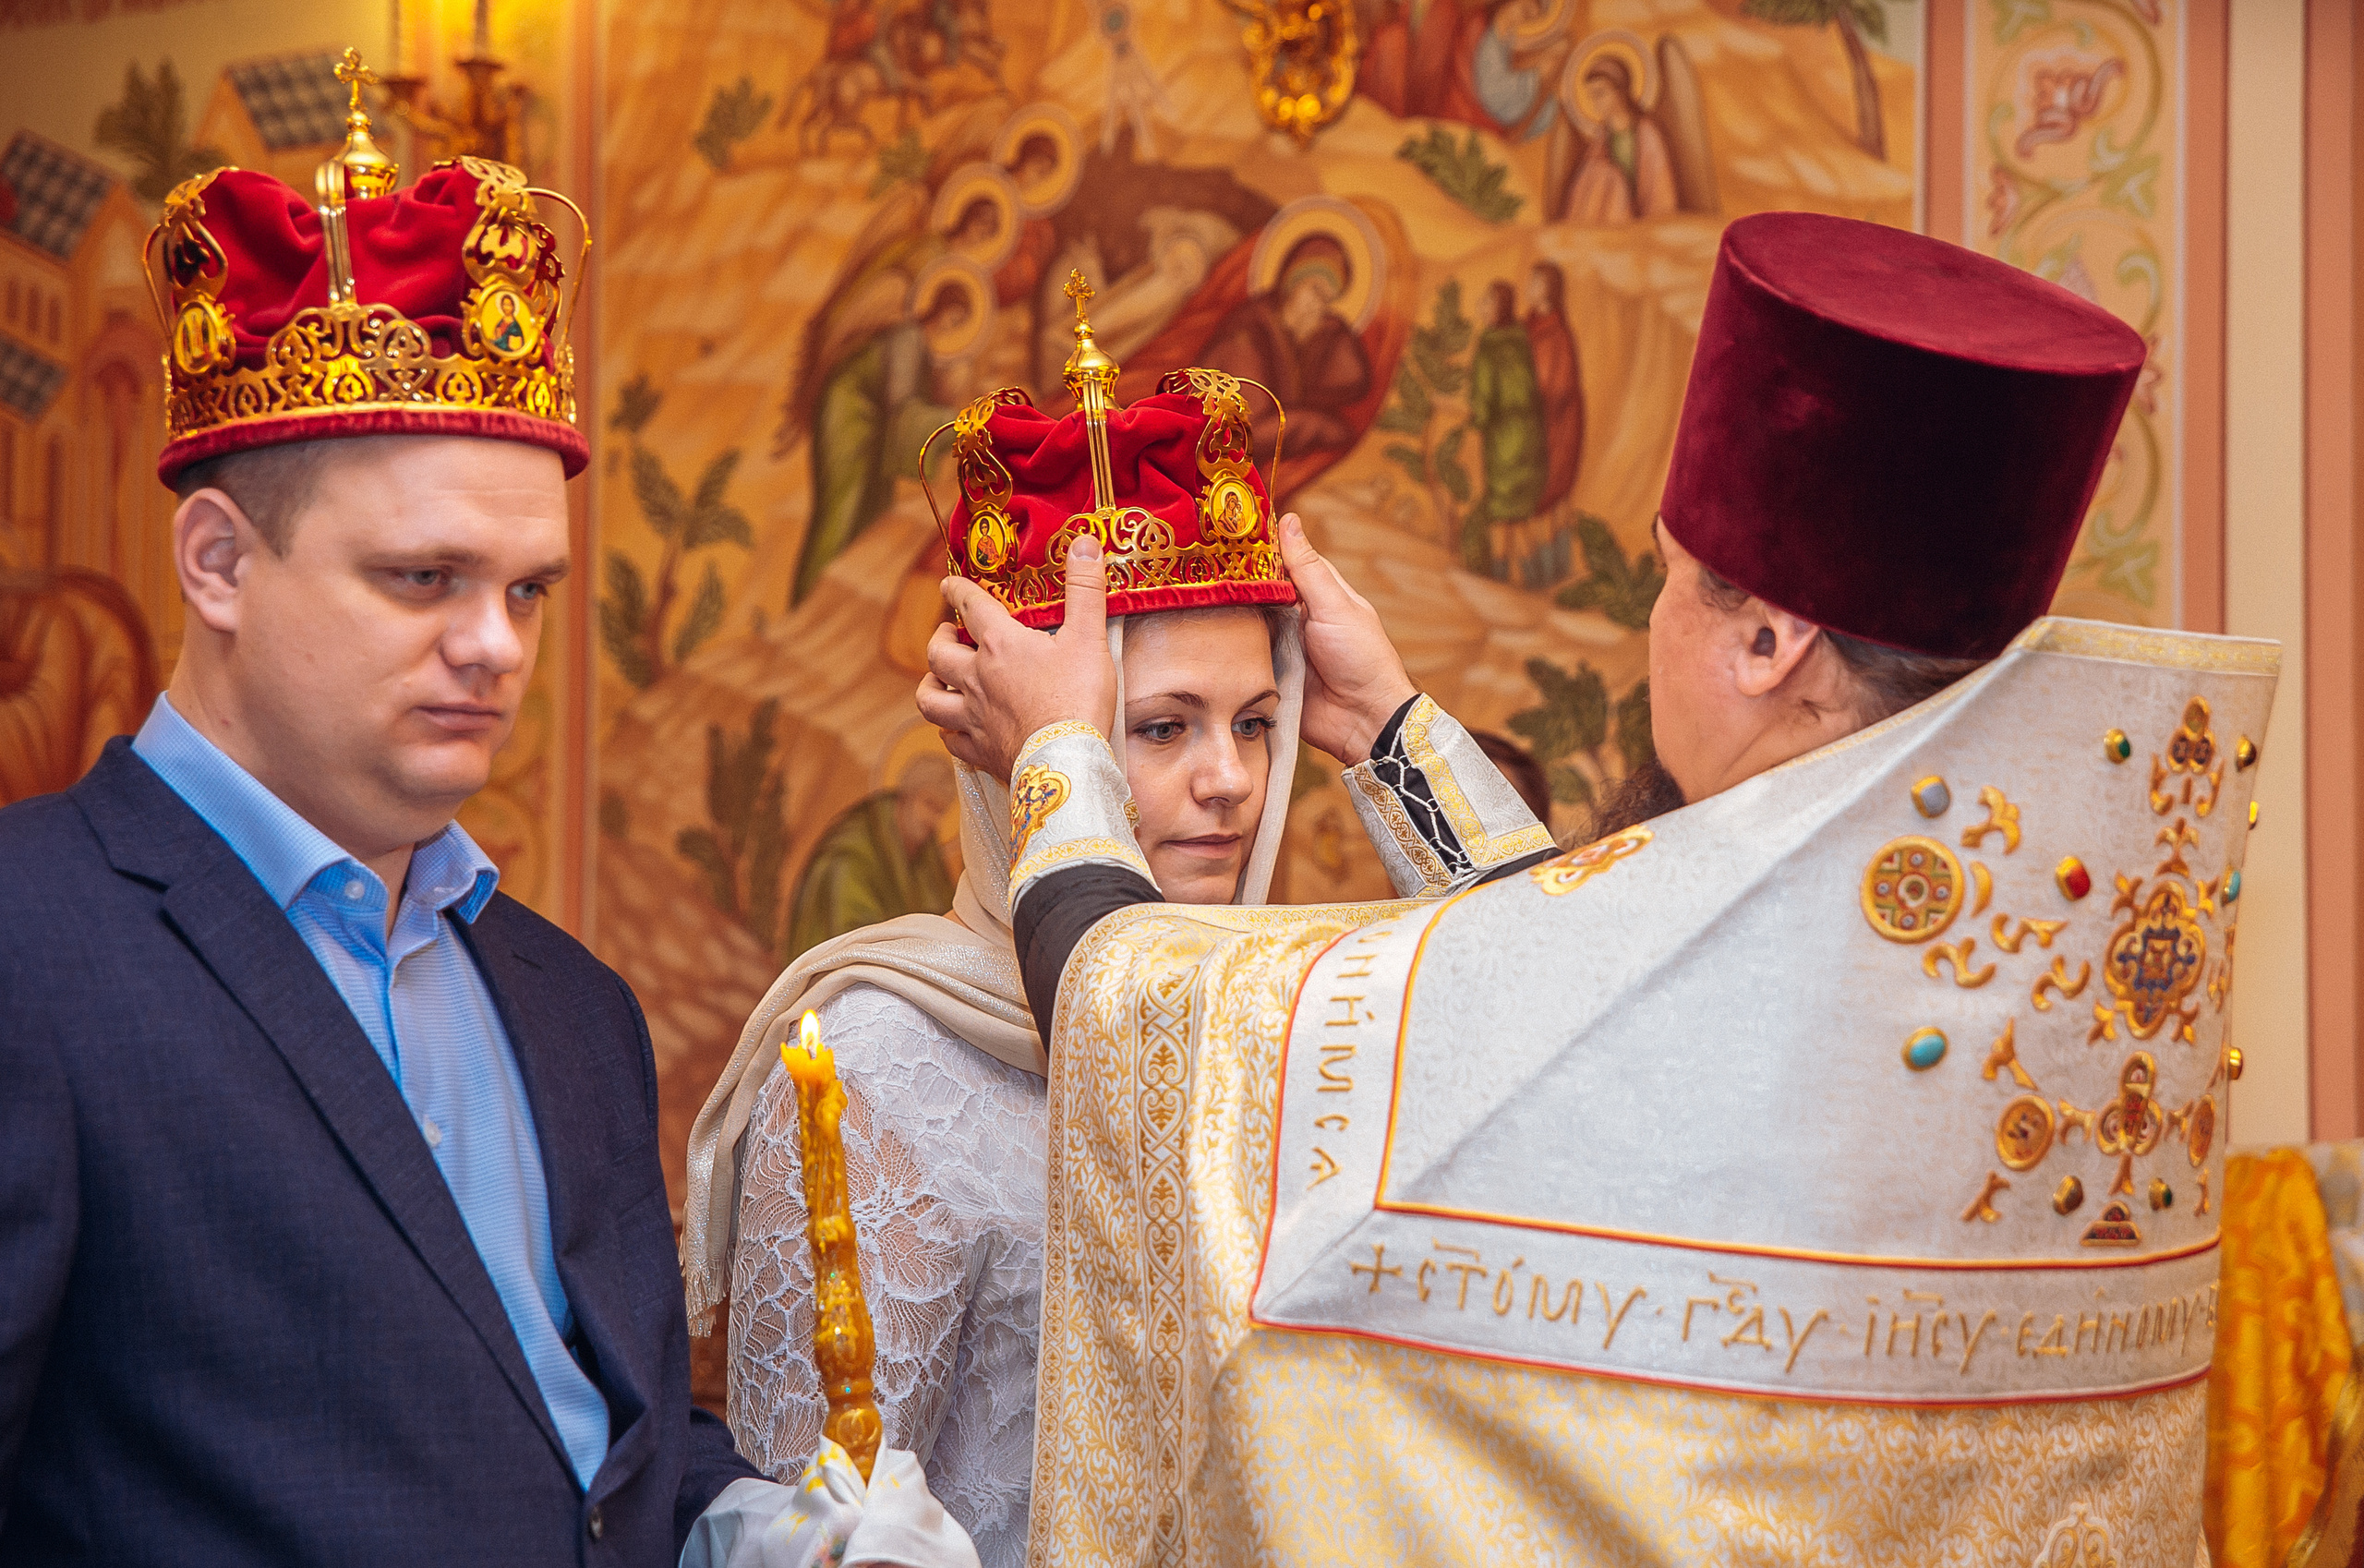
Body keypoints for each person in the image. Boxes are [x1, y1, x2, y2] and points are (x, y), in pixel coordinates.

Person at [920, 214, 2249, 1560]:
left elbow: (1138, 1015)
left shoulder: (1735, 958)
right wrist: (1394, 732)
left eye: (1670, 577)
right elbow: (1593, 992)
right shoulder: (2056, 937)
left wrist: (1063, 754)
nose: (1650, 619)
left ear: (1770, 641)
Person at [0, 91, 970, 1568]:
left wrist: (762, 1529)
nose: (496, 646)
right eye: (423, 577)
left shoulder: (573, 1007)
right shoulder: (33, 946)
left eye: (527, 590)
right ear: (217, 562)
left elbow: (585, 1442)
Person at [680, 289, 1518, 1568]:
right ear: (1011, 756)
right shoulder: (880, 1059)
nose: (1230, 779)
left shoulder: (1283, 1014)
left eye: (1252, 722)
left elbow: (1548, 1010)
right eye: (1161, 726)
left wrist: (1389, 719)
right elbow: (821, 1528)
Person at [1199, 234, 1373, 464]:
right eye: (1316, 291)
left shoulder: (1299, 336)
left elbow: (1352, 381)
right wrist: (1321, 425)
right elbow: (1246, 434)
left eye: (1327, 301)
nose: (1318, 308)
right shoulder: (1247, 334)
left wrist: (1332, 333)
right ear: (1293, 282)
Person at [1463, 277, 1547, 576]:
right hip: (1530, 435)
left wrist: (1475, 418)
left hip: (1504, 439)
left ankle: (1498, 576)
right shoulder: (1521, 339)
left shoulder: (1490, 344)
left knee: (1501, 514)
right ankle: (1535, 577)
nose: (1481, 306)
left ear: (1498, 308)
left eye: (1486, 301)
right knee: (1519, 516)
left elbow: (1484, 397)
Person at [1564, 53, 1677, 224]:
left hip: (1643, 220)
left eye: (1600, 94)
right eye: (1591, 96)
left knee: (1609, 175)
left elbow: (1660, 186)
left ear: (1620, 92)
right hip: (1609, 219)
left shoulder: (1647, 134)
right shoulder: (1602, 138)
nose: (1595, 102)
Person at [1523, 259, 1586, 514]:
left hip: (1550, 431)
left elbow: (1557, 390)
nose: (1528, 287)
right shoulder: (1527, 327)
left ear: (1549, 289)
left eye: (1535, 282)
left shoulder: (1557, 336)